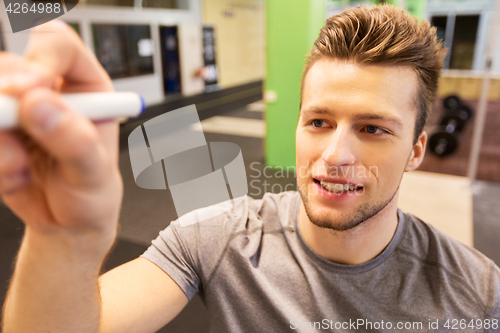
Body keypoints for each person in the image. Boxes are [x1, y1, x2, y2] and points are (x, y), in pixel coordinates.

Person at [1, 5, 499, 333]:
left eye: (373, 129)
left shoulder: (476, 294)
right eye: (320, 122)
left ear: (415, 151)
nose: (334, 155)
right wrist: (63, 238)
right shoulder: (216, 239)